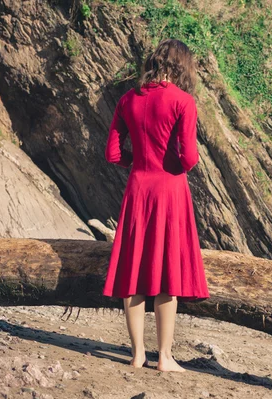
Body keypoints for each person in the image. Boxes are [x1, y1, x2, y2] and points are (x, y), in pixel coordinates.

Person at [102, 38, 210, 373]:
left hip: (138, 188)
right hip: (169, 190)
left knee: (133, 271)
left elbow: (113, 154)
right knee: (166, 274)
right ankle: (164, 357)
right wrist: (172, 162)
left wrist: (142, 163)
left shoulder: (127, 99)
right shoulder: (182, 102)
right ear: (182, 66)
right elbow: (189, 158)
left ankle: (137, 355)